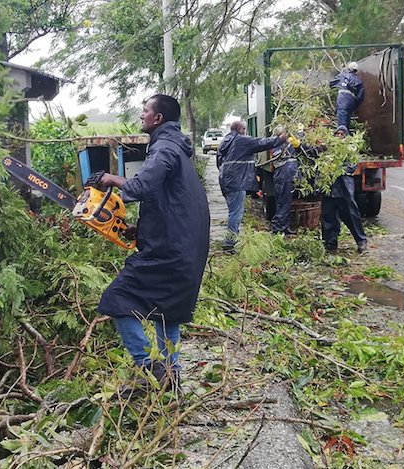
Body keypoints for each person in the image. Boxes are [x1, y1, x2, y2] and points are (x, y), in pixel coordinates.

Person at [95, 94, 210, 397]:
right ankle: (171, 380)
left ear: (157, 119)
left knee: (117, 300)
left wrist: (111, 178)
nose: (141, 114)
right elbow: (169, 200)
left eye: (145, 111)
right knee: (166, 312)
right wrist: (139, 228)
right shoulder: (177, 148)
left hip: (170, 250)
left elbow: (141, 186)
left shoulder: (164, 148)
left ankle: (151, 370)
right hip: (186, 246)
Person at [217, 121, 286, 251]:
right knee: (236, 213)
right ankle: (230, 243)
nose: (245, 131)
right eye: (244, 128)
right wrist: (280, 139)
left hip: (226, 180)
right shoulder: (241, 140)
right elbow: (262, 143)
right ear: (240, 129)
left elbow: (219, 161)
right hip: (237, 181)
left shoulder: (226, 141)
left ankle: (231, 239)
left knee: (233, 211)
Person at [321, 126, 368, 253]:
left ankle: (361, 241)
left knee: (351, 216)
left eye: (342, 134)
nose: (339, 136)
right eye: (337, 134)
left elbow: (351, 167)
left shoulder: (350, 150)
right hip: (329, 190)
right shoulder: (327, 150)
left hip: (344, 189)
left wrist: (338, 168)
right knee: (328, 217)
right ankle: (330, 244)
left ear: (346, 136)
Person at [329, 62, 365, 131]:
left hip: (342, 103)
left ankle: (342, 140)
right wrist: (354, 106)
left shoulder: (342, 76)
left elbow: (331, 83)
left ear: (348, 68)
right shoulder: (359, 81)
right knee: (346, 124)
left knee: (341, 126)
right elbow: (360, 98)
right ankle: (346, 138)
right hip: (350, 105)